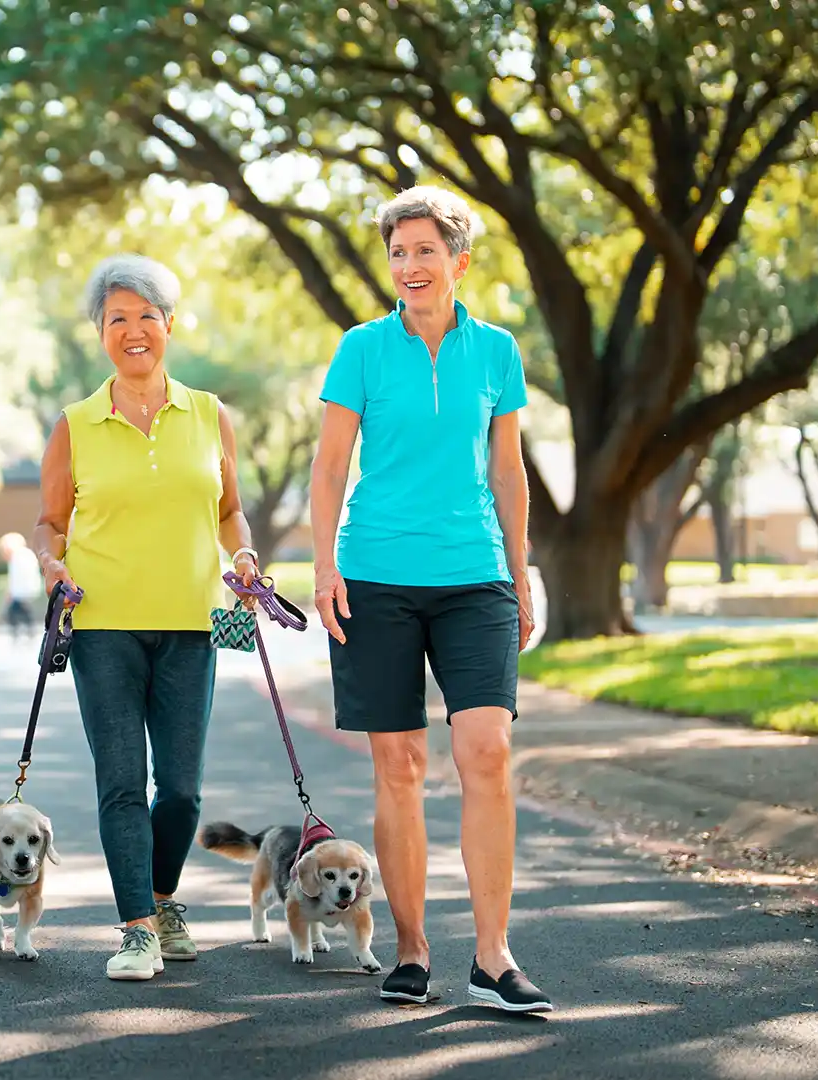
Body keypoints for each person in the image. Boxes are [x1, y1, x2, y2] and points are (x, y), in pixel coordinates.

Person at [308, 185, 550, 1013]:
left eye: (424, 251)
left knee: (486, 751)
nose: (410, 266)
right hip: (375, 573)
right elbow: (331, 465)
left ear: (459, 260)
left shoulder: (497, 352)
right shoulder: (362, 350)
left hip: (474, 573)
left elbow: (508, 469)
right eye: (398, 253)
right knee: (400, 764)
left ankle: (493, 956)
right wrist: (323, 564)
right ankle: (411, 951)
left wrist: (519, 572)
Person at [32, 253, 262, 981]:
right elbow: (49, 522)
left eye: (146, 317)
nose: (133, 331)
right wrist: (51, 561)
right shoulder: (75, 424)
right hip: (102, 626)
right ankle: (136, 928)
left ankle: (162, 901)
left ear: (169, 325)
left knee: (183, 787)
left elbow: (229, 512)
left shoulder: (208, 413)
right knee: (122, 781)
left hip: (195, 621)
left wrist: (246, 555)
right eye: (116, 319)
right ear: (100, 333)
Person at [0, 531, 41, 642]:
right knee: (21, 610)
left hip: (22, 591)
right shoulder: (25, 555)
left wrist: (11, 593)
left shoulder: (18, 557)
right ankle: (28, 631)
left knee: (14, 611)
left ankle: (21, 633)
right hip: (27, 589)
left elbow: (17, 578)